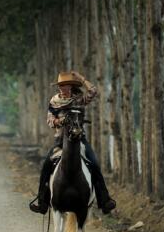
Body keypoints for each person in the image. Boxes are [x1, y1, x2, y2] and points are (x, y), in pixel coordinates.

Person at [29, 71, 116, 215]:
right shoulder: (54, 101)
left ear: (70, 86)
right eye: (61, 85)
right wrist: (59, 121)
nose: (62, 88)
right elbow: (50, 120)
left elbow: (93, 91)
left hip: (79, 139)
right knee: (46, 166)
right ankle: (42, 202)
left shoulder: (79, 99)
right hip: (60, 140)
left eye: (65, 85)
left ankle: (104, 200)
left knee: (94, 164)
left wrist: (82, 79)